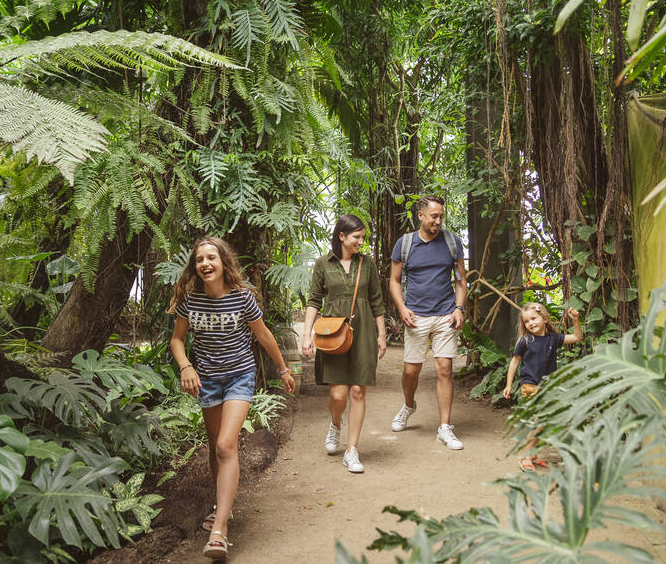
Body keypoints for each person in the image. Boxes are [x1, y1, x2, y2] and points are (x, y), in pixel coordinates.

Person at [168, 237, 296, 560]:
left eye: (212, 257)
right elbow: (177, 340)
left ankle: (219, 529)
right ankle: (220, 505)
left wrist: (283, 370)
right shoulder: (190, 300)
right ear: (195, 267)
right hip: (207, 381)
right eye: (200, 259)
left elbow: (263, 335)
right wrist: (185, 366)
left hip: (240, 376)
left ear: (224, 262)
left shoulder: (241, 297)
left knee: (227, 445)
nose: (206, 264)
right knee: (215, 447)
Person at [300, 215, 387, 473]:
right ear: (341, 236)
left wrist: (381, 335)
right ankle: (336, 423)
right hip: (334, 333)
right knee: (338, 394)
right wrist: (307, 335)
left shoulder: (367, 264)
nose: (361, 241)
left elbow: (377, 302)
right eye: (356, 237)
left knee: (358, 391)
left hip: (363, 334)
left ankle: (352, 450)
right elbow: (314, 301)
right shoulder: (322, 264)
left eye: (362, 237)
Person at [388, 195, 468, 449]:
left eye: (441, 216)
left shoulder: (452, 242)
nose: (438, 220)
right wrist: (401, 308)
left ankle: (445, 427)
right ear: (420, 216)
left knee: (444, 368)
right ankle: (409, 405)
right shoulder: (405, 244)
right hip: (416, 316)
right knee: (411, 371)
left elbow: (460, 280)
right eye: (434, 216)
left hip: (445, 313)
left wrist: (459, 308)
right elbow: (395, 280)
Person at [501, 302, 582, 471]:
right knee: (536, 422)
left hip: (548, 388)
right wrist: (509, 384)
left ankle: (533, 454)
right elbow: (515, 361)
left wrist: (575, 321)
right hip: (530, 386)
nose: (530, 323)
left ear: (544, 318)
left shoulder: (553, 338)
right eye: (527, 321)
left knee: (544, 423)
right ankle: (525, 457)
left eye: (533, 318)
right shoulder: (525, 341)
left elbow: (576, 338)